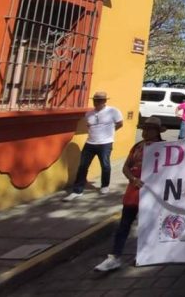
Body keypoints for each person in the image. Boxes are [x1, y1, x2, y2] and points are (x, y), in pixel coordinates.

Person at [93, 117, 165, 271]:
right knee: (124, 225)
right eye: (144, 129)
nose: (145, 133)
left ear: (157, 132)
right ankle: (114, 256)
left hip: (153, 193)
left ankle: (145, 253)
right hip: (133, 191)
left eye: (149, 129)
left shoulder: (165, 148)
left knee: (148, 225)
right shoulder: (137, 146)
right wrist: (133, 179)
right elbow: (126, 167)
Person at [64, 91, 123, 201]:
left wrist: (110, 133)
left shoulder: (113, 111)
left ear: (105, 101)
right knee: (82, 166)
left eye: (100, 100)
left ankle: (105, 185)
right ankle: (77, 190)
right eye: (95, 100)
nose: (97, 102)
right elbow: (89, 125)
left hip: (105, 143)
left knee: (105, 165)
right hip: (90, 143)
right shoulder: (89, 114)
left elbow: (120, 124)